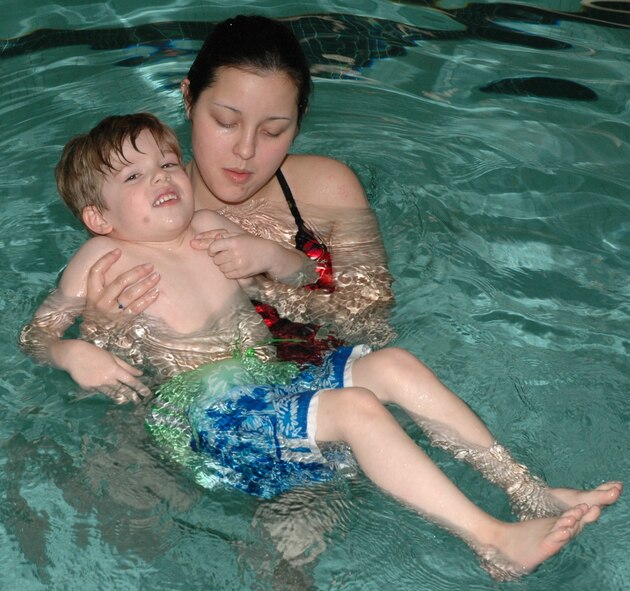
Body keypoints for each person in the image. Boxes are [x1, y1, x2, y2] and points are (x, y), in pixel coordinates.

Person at [20, 113, 622, 582]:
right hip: (209, 416)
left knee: (393, 365)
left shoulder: (208, 228)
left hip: (273, 388)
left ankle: (523, 486)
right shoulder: (101, 259)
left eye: (169, 162)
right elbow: (37, 334)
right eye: (134, 176)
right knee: (357, 412)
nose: (163, 178)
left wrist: (271, 257)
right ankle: (490, 540)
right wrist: (74, 353)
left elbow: (299, 279)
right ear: (98, 215)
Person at [81, 14, 395, 375]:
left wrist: (269, 285)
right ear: (188, 100)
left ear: (299, 120)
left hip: (339, 385)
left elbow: (373, 323)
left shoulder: (328, 190)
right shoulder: (140, 215)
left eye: (273, 131)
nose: (245, 151)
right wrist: (103, 329)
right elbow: (134, 376)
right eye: (226, 123)